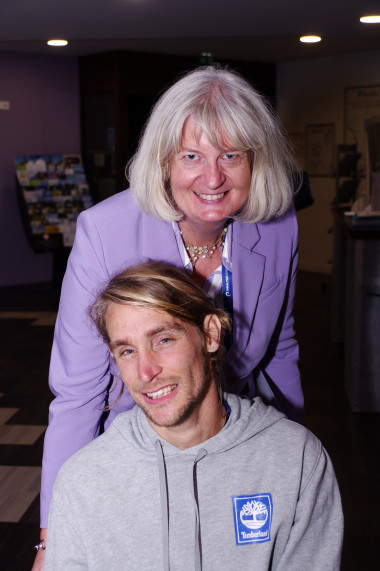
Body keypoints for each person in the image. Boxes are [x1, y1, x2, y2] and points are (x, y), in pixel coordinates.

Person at [34, 65, 303, 566]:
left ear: (256, 162)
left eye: (231, 155)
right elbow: (76, 398)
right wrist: (53, 539)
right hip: (135, 446)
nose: (213, 177)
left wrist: (292, 461)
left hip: (236, 441)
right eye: (192, 156)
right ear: (164, 162)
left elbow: (279, 350)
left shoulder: (279, 225)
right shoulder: (104, 232)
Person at [44, 262, 343, 571]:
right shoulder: (83, 480)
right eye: (127, 351)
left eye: (163, 340)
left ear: (210, 334)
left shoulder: (296, 460)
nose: (145, 372)